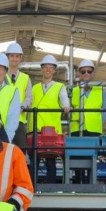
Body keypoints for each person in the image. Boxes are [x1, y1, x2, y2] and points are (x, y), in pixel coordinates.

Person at [27, 54, 70, 184]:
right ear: (41, 69)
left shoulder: (60, 87)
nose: (48, 69)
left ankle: (51, 187)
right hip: (35, 128)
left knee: (50, 160)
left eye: (51, 67)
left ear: (54, 70)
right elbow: (28, 102)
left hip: (51, 131)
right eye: (45, 67)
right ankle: (32, 187)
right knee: (34, 160)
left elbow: (65, 100)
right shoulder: (34, 88)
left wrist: (66, 106)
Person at [5, 42, 32, 149]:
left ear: (20, 58)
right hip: (4, 119)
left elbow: (29, 97)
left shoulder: (26, 78)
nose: (14, 59)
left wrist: (22, 107)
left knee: (21, 150)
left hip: (20, 120)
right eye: (12, 56)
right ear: (7, 57)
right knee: (4, 150)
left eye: (17, 56)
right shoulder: (2, 76)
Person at [71, 59, 105, 137]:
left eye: (89, 71)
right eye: (83, 72)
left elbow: (104, 112)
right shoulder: (73, 91)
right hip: (76, 129)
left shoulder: (101, 91)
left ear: (93, 73)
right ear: (79, 73)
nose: (86, 73)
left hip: (94, 130)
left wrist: (99, 125)